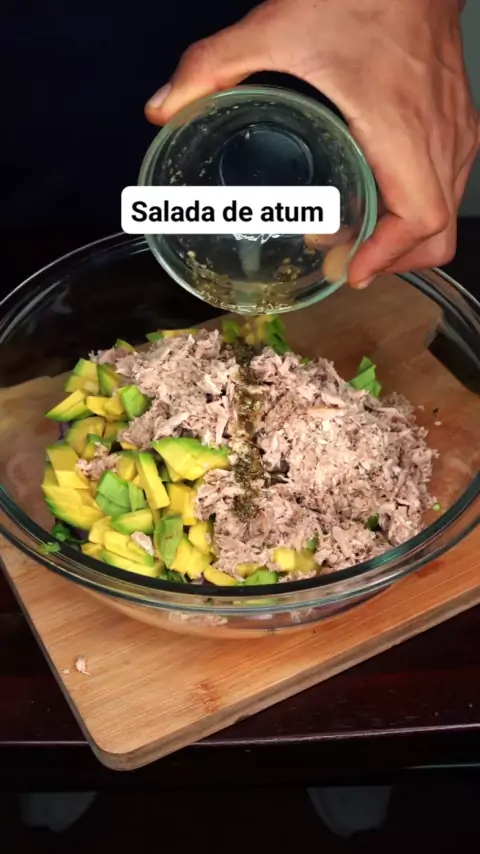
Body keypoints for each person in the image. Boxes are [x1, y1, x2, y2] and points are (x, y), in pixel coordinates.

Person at [6, 0, 479, 838]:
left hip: (288, 85)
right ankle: (67, 747)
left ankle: (340, 745)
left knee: (352, 672)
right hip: (37, 82)